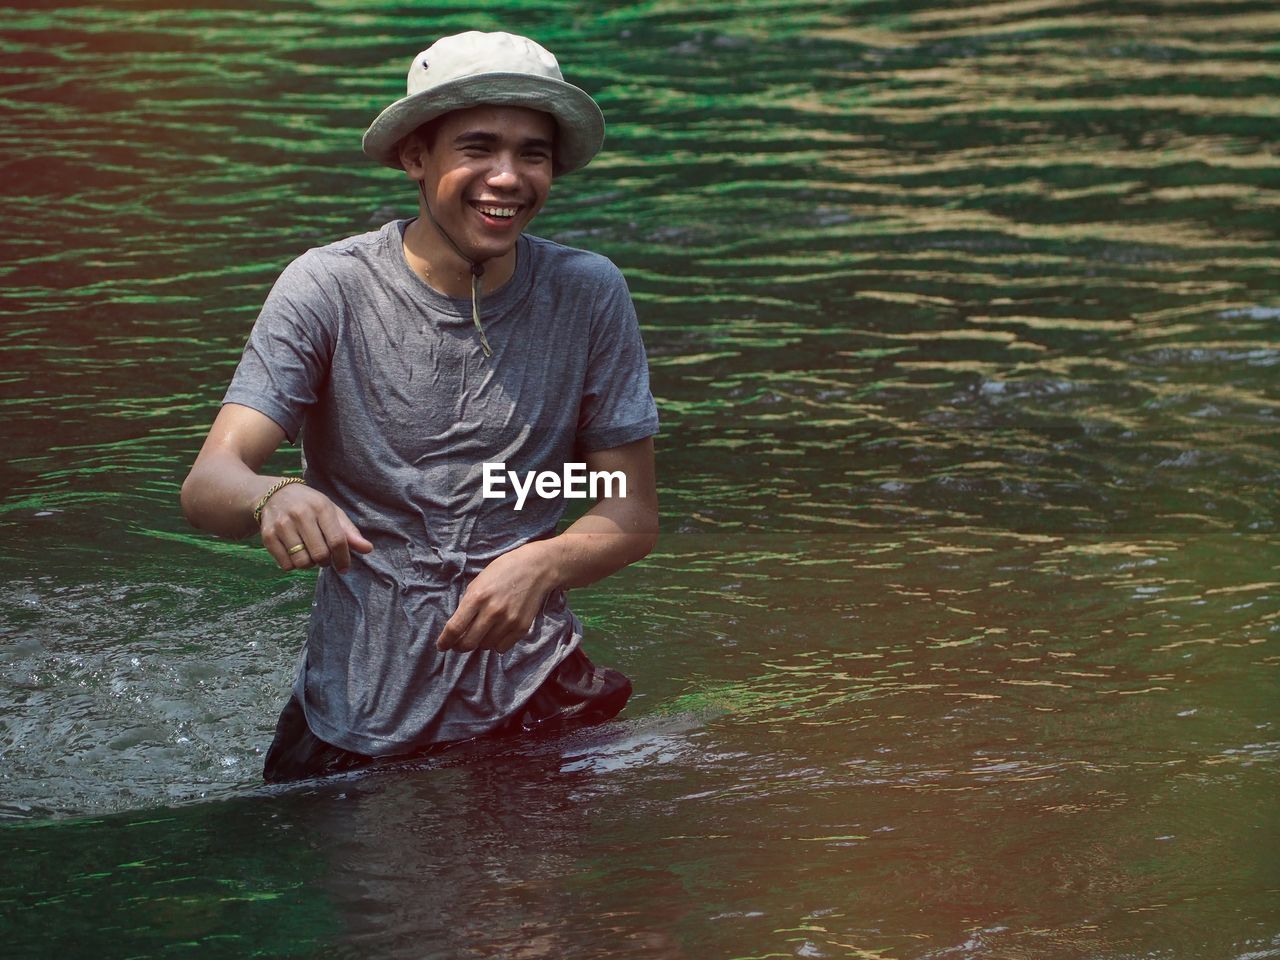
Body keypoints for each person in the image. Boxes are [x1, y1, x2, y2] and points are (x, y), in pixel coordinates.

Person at [180, 31, 660, 783]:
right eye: (477, 148)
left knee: (542, 902)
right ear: (415, 156)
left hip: (537, 697)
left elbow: (626, 506)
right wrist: (274, 494)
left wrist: (542, 560)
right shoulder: (328, 289)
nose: (507, 177)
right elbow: (211, 481)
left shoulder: (588, 293)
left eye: (533, 154)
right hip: (361, 713)